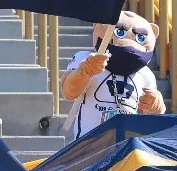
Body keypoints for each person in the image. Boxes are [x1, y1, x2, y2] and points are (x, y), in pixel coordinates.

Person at [61, 10, 166, 140]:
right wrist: (84, 71)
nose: (129, 42)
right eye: (120, 32)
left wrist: (156, 105)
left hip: (127, 146)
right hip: (90, 143)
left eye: (140, 38)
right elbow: (68, 91)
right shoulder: (87, 58)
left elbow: (152, 117)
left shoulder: (146, 73)